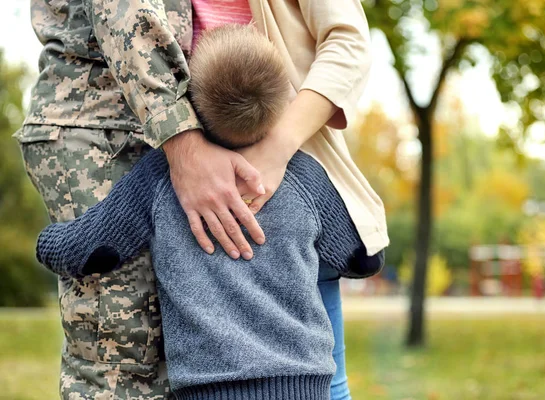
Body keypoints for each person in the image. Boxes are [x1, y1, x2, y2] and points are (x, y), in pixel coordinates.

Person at [17, 0, 389, 398]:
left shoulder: (159, 177)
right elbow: (362, 256)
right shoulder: (307, 180)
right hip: (301, 385)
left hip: (207, 389)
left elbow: (90, 248)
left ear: (189, 99)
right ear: (284, 95)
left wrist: (46, 244)